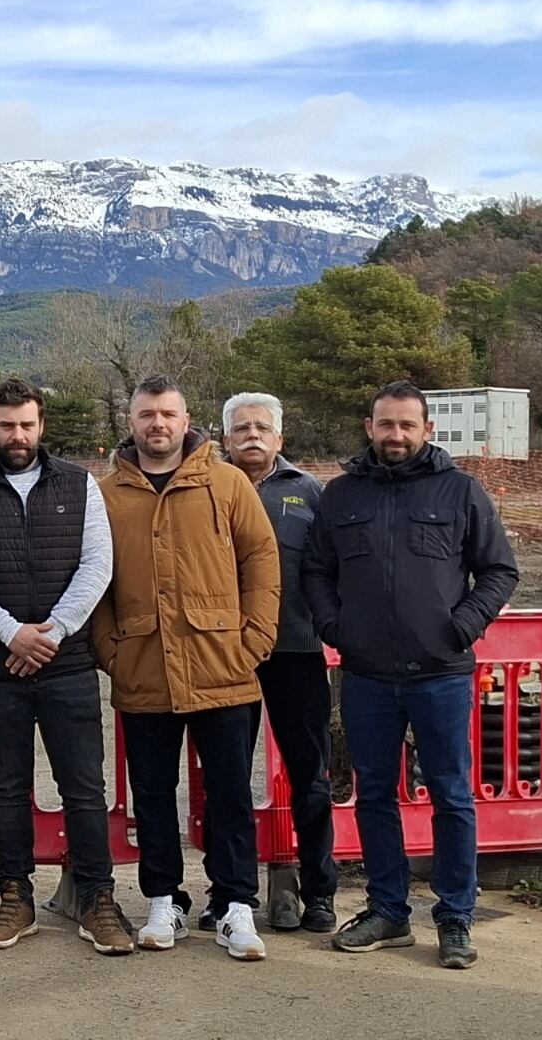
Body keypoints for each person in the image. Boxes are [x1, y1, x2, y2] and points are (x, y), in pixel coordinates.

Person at [304, 381, 518, 970]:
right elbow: (317, 571)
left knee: (451, 795)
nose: (395, 435)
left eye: (406, 425)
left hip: (442, 673)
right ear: (368, 428)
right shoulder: (342, 495)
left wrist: (462, 625)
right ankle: (388, 911)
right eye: (385, 425)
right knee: (373, 794)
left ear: (427, 430)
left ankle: (454, 918)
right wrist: (335, 627)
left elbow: (499, 569)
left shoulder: (461, 491)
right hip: (367, 674)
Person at [0, 377, 133, 953]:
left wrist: (54, 632)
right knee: (10, 788)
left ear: (41, 425)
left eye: (26, 424)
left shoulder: (80, 484)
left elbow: (98, 565)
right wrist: (10, 633)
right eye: (5, 425)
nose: (16, 435)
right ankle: (15, 897)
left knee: (85, 789)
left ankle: (97, 899)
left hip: (67, 664)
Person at [92, 375, 280, 961]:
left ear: (185, 417)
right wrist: (112, 652)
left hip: (223, 665)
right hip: (142, 667)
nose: (157, 424)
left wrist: (254, 640)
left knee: (229, 792)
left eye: (167, 414)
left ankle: (234, 904)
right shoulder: (105, 494)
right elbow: (92, 582)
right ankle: (162, 899)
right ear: (131, 421)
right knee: (152, 792)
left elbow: (260, 558)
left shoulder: (225, 483)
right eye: (146, 414)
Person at [222, 391, 337, 934]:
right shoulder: (208, 488)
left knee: (311, 777)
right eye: (241, 428)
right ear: (225, 437)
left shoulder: (310, 492)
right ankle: (230, 893)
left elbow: (330, 568)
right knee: (229, 779)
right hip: (227, 655)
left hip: (296, 649)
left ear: (280, 438)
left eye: (261, 428)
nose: (251, 435)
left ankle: (319, 892)